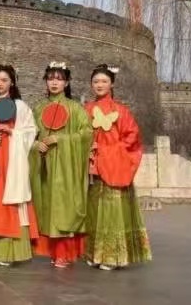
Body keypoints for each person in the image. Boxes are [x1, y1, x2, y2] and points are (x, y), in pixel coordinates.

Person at [83, 64, 152, 270]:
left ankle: (113, 256)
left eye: (104, 81)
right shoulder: (86, 110)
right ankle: (95, 253)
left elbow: (132, 138)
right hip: (93, 168)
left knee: (113, 212)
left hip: (114, 166)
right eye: (96, 81)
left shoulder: (121, 111)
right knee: (94, 210)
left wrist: (107, 151)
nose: (99, 85)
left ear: (112, 84)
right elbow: (80, 135)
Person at [29, 62, 91, 268]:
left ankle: (63, 253)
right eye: (50, 78)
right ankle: (48, 251)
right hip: (43, 167)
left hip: (66, 169)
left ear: (67, 82)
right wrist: (35, 145)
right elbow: (28, 135)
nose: (54, 82)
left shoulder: (76, 109)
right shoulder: (38, 108)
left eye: (59, 79)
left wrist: (60, 139)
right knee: (45, 208)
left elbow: (86, 135)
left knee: (63, 209)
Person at [0, 64, 39, 266]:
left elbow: (31, 131)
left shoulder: (20, 107)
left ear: (11, 82)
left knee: (10, 202)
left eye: (4, 80)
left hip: (12, 162)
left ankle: (10, 253)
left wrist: (13, 132)